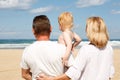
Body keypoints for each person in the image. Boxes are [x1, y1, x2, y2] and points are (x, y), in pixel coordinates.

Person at [36, 16, 114, 80]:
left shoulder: (86, 49)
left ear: (90, 30)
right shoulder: (109, 48)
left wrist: (51, 79)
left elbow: (73, 73)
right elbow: (109, 73)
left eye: (87, 27)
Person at [20, 15, 67, 80]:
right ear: (51, 28)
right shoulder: (62, 49)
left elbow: (24, 74)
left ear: (33, 31)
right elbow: (74, 73)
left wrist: (35, 78)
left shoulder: (27, 50)